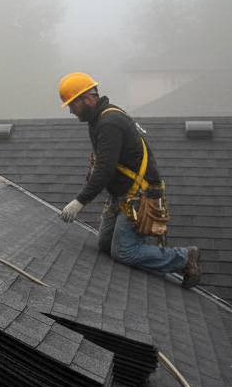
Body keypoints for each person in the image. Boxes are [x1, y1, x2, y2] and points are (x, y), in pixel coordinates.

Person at [58, 72, 201, 288]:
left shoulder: (109, 121)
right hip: (121, 195)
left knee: (123, 251)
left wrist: (80, 200)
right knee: (105, 244)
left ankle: (184, 257)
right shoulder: (97, 119)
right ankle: (142, 248)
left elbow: (105, 168)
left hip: (139, 195)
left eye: (72, 104)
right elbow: (101, 161)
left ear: (87, 98)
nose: (70, 110)